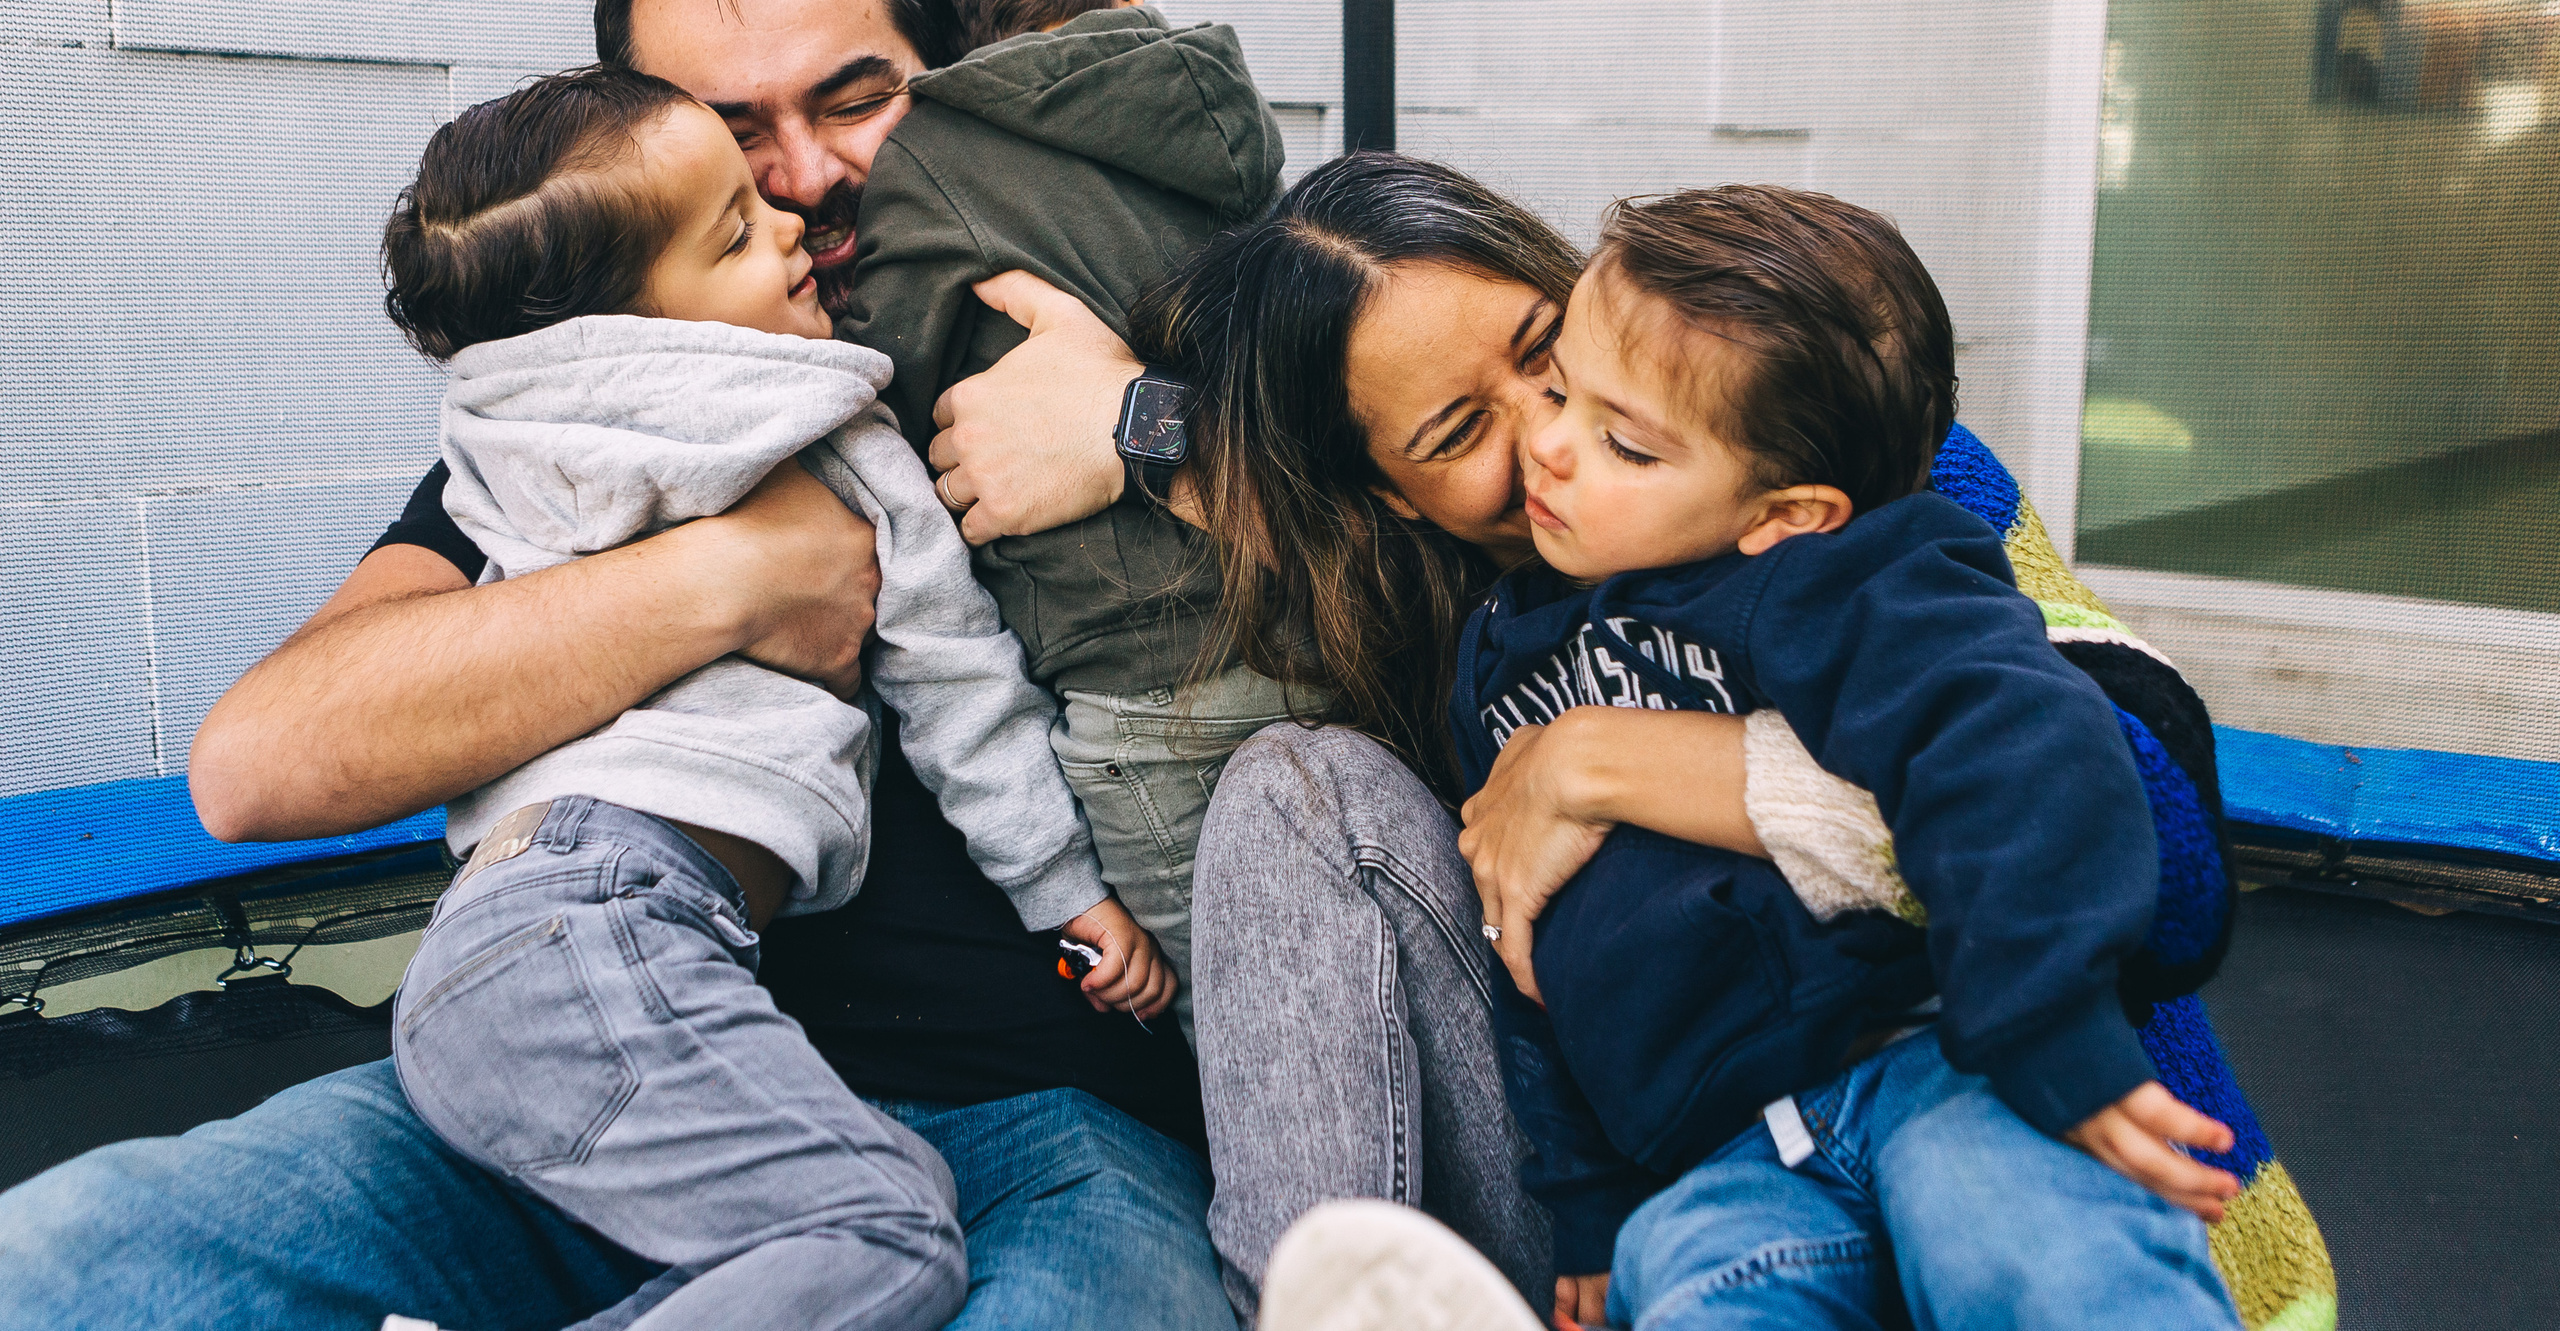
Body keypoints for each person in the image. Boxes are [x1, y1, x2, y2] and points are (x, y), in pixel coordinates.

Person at [0, 0, 1228, 1331]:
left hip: (1042, 1126)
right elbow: (256, 767)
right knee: (76, 1262)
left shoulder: (1118, 299)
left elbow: (1470, 503)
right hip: (598, 1080)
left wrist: (1149, 426)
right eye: (730, 137)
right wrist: (733, 572)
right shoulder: (627, 405)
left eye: (856, 96)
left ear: (949, 70)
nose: (807, 179)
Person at [925, 154, 2334, 1329]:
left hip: (2009, 1098)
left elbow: (2154, 828)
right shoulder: (1488, 633)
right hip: (1729, 1160)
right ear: (1396, 498)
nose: (1548, 434)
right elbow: (1554, 978)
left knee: (1991, 1216)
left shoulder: (1804, 436)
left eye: (1549, 354)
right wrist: (1143, 423)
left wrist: (1607, 763)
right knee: (1293, 791)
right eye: (1465, 428)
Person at [373, 63, 1182, 1329]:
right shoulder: (825, 429)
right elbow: (964, 698)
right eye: (738, 231)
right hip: (614, 926)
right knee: (886, 1235)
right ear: (641, 331)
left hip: (486, 947)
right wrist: (1073, 901)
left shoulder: (504, 431)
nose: (794, 221)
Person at [1452, 184, 2240, 1329]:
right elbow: (1528, 957)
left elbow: (2022, 747)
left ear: (1787, 512)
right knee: (1702, 1299)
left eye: (1622, 441)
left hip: (1949, 1067)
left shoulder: (1856, 582)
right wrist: (1588, 1204)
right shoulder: (1506, 660)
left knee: (2046, 1259)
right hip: (1723, 1155)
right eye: (1561, 391)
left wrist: (2048, 1029)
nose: (1548, 443)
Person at [843, 0, 1302, 1039]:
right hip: (1318, 628)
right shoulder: (1231, 128)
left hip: (1146, 695)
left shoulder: (932, 159)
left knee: (1254, 1051)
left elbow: (877, 394)